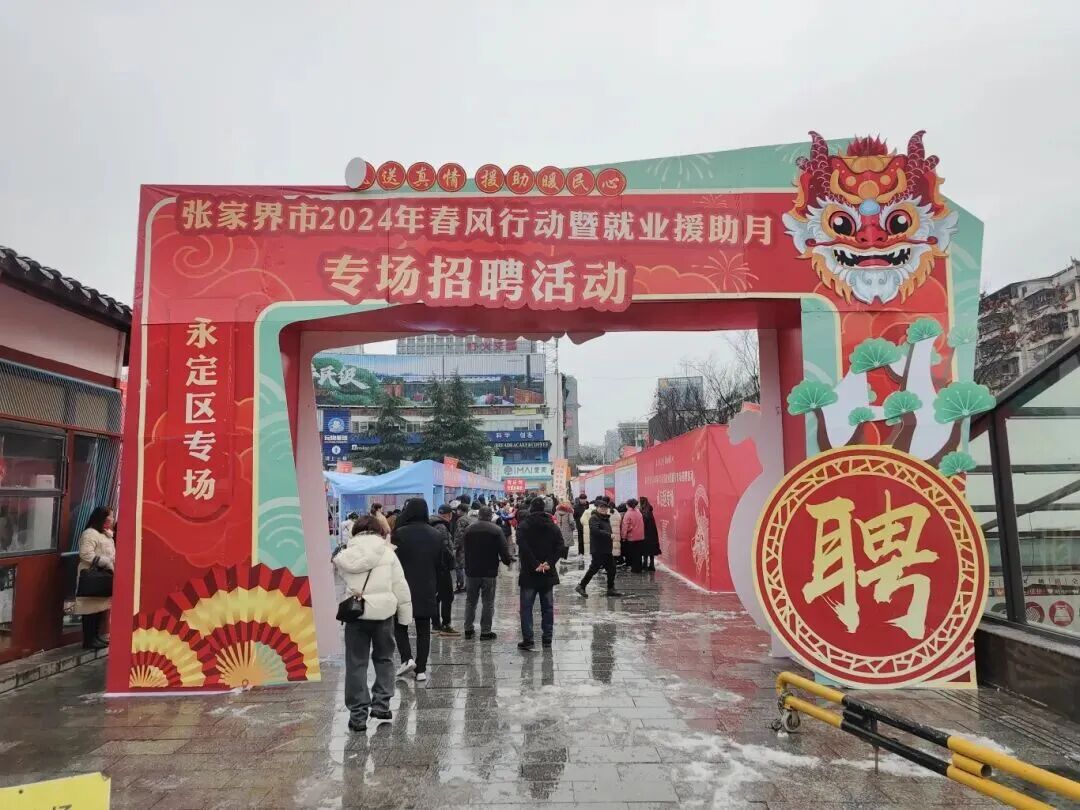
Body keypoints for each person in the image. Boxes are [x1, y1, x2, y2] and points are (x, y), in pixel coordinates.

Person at [333, 516, 412, 732]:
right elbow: (400, 585)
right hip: (383, 614)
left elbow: (344, 582)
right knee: (384, 659)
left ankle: (358, 715)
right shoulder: (388, 553)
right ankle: (381, 705)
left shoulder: (345, 555)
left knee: (356, 663)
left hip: (355, 615)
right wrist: (405, 617)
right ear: (379, 531)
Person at [390, 498, 443, 682]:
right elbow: (441, 565)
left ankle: (407, 658)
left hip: (402, 586)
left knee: (400, 625)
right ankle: (421, 669)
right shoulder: (436, 534)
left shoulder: (399, 534)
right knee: (423, 628)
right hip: (427, 586)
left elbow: (392, 562)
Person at [515, 497, 564, 650]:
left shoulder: (523, 526)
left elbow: (523, 547)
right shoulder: (552, 526)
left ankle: (528, 640)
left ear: (531, 508)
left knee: (526, 608)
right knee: (547, 607)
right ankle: (547, 639)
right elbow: (560, 546)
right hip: (547, 574)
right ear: (544, 509)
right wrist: (548, 563)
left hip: (529, 573)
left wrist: (535, 564)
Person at [462, 506, 512, 640]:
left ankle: (468, 629)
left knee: (470, 601)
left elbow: (464, 548)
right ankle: (485, 631)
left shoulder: (469, 529)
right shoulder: (496, 530)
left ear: (479, 516)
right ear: (490, 516)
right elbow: (503, 549)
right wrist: (507, 561)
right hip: (489, 571)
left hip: (472, 571)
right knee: (488, 602)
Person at [76, 506, 116, 650]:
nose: (113, 519)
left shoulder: (106, 534)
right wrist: (105, 562)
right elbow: (86, 554)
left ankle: (96, 637)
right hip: (92, 575)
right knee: (89, 610)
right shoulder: (90, 534)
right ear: (103, 518)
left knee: (99, 608)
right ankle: (89, 640)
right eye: (111, 516)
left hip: (103, 576)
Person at [575, 499, 623, 598]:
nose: (603, 509)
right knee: (594, 569)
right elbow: (594, 531)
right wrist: (609, 535)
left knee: (612, 569)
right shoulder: (594, 518)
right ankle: (581, 586)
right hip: (598, 549)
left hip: (606, 549)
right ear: (597, 508)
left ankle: (610, 589)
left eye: (605, 508)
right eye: (601, 508)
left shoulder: (605, 518)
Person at [430, 505, 459, 636]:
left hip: (433, 566)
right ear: (449, 515)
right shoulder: (441, 527)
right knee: (447, 596)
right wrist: (452, 559)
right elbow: (445, 547)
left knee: (436, 596)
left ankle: (435, 624)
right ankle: (445, 624)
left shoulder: (431, 523)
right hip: (442, 567)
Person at [452, 501, 476, 594]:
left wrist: (455, 547)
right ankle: (468, 585)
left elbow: (459, 535)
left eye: (458, 510)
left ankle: (460, 585)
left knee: (458, 566)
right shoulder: (471, 519)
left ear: (461, 510)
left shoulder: (461, 520)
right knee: (467, 566)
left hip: (462, 547)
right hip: (470, 546)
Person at [621, 498, 646, 573]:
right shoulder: (638, 512)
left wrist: (623, 537)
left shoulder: (628, 514)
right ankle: (639, 568)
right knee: (638, 553)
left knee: (633, 554)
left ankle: (635, 569)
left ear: (628, 505)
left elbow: (625, 527)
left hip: (632, 537)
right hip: (640, 536)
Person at [639, 496, 660, 572]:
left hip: (645, 534)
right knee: (651, 551)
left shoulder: (643, 512)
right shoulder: (650, 511)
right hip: (653, 534)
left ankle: (645, 565)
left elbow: (643, 524)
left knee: (645, 550)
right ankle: (652, 565)